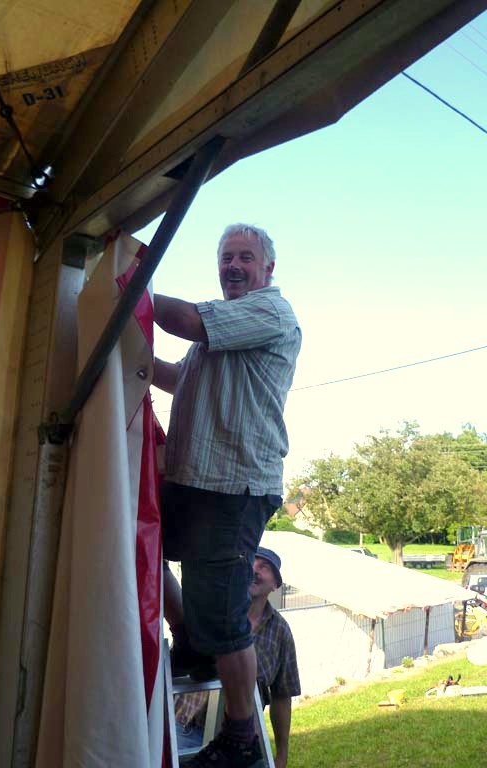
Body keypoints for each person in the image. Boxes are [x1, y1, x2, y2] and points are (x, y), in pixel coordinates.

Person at [153, 223, 302, 768]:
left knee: (224, 617)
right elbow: (180, 379)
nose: (233, 266)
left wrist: (129, 290)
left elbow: (187, 320)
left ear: (267, 269)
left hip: (234, 485)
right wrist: (134, 360)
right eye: (226, 258)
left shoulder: (270, 311)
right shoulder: (222, 331)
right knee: (143, 546)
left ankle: (241, 735)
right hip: (196, 479)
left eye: (245, 257)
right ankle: (189, 638)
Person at [175, 547, 301, 768]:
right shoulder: (211, 610)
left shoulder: (281, 632)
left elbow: (282, 695)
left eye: (265, 567)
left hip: (239, 746)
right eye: (251, 562)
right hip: (184, 730)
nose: (255, 570)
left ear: (276, 584)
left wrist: (281, 755)